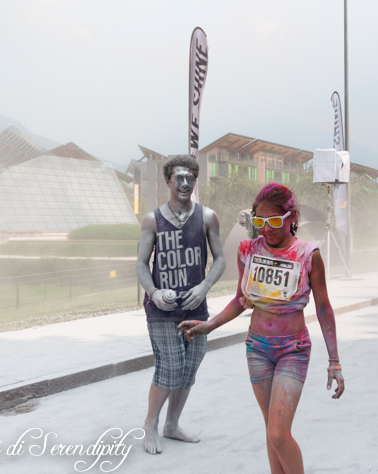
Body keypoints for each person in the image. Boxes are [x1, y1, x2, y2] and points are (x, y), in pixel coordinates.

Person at [179, 183, 344, 474]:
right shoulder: (248, 250)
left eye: (275, 221)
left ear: (292, 217)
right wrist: (210, 325)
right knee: (271, 428)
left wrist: (334, 361)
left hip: (293, 349)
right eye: (260, 221)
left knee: (279, 433)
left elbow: (323, 309)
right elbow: (241, 300)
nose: (267, 228)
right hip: (257, 349)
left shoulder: (308, 254)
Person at [136, 154, 226, 455]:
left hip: (196, 308)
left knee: (189, 370)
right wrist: (153, 292)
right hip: (162, 310)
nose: (185, 184)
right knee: (171, 367)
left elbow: (220, 259)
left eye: (190, 178)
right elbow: (141, 263)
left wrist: (204, 286)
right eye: (179, 178)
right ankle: (150, 424)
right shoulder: (152, 219)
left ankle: (172, 425)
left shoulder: (208, 217)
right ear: (168, 181)